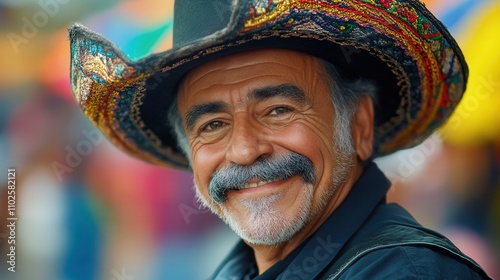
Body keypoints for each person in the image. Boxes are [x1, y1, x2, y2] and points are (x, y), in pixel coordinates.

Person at [68, 0, 492, 279]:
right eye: (212, 125)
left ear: (359, 125)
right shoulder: (238, 270)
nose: (245, 150)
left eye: (277, 111)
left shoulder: (407, 274)